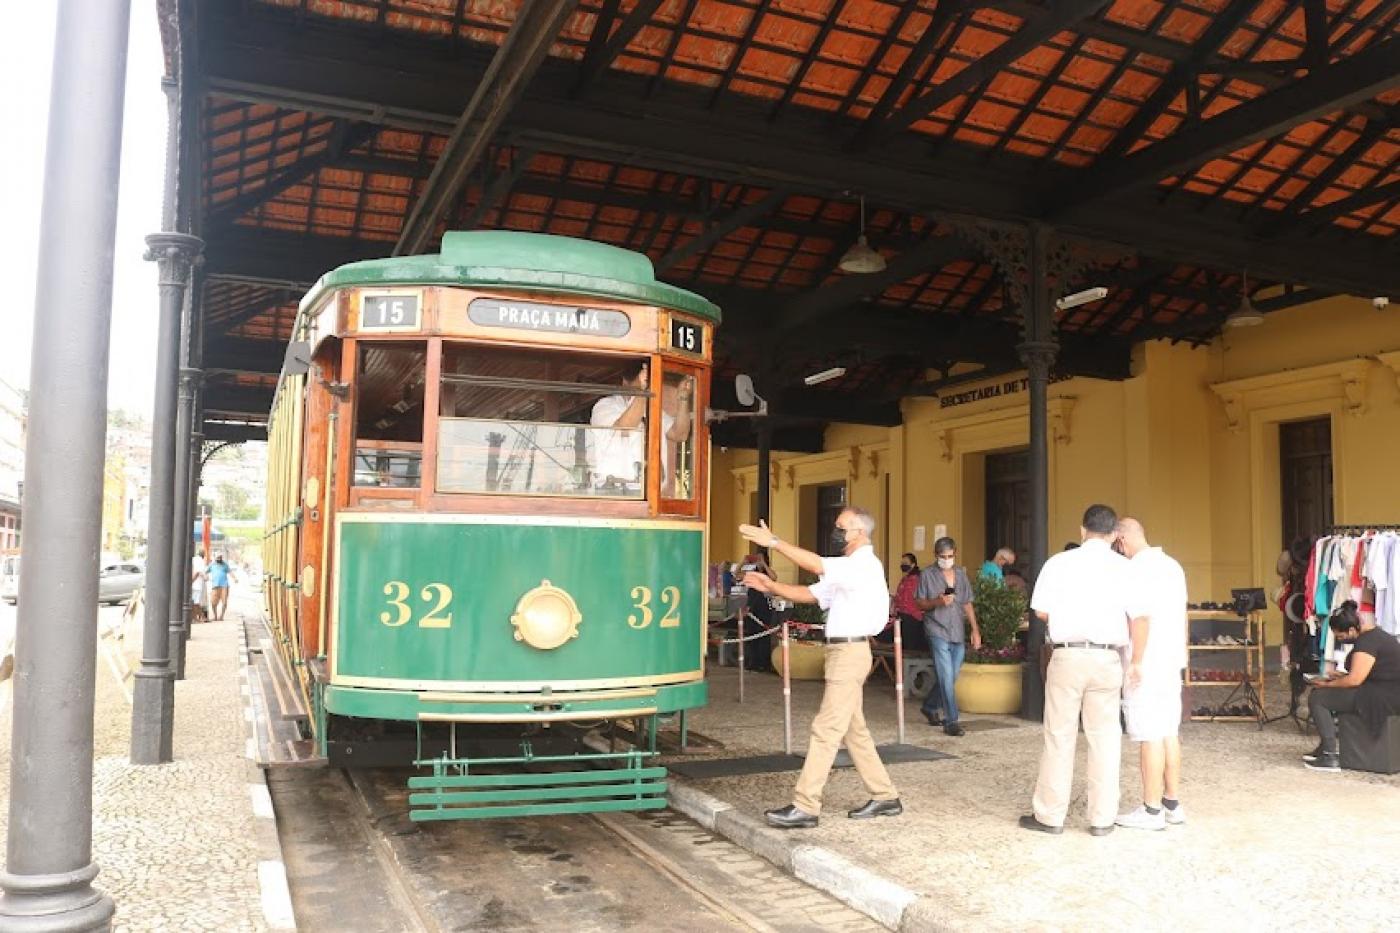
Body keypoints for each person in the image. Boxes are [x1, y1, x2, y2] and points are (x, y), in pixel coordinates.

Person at [739, 508, 901, 829]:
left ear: (860, 532)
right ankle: (885, 796)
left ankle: (806, 805)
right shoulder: (846, 570)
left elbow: (815, 565)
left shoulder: (863, 564)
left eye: (841, 527)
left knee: (826, 729)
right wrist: (770, 587)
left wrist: (774, 541)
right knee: (855, 731)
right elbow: (810, 594)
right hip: (843, 652)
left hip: (851, 652)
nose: (836, 531)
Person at [1020, 504, 1145, 837]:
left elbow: (1042, 612)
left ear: (1082, 530)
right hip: (1107, 659)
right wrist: (1136, 661)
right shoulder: (1124, 568)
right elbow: (1140, 617)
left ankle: (1049, 816)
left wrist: (1070, 616)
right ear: (1115, 534)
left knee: (1059, 736)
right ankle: (1102, 818)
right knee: (1105, 738)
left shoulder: (1058, 563)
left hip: (1068, 656)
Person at [1112, 518, 1189, 831]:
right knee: (1169, 730)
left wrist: (1136, 662)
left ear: (1121, 541)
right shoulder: (1173, 566)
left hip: (1148, 661)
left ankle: (1151, 809)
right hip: (1171, 659)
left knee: (1149, 734)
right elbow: (1183, 615)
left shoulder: (1135, 570)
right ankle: (1172, 803)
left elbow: (1140, 618)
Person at [1304, 601, 1400, 772]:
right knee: (1328, 694)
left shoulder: (1367, 642)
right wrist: (1341, 678)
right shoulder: (1374, 635)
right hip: (1384, 691)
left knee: (1318, 697)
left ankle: (1329, 755)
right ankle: (1325, 748)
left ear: (1351, 630)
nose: (1341, 640)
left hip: (1382, 697)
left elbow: (1355, 680)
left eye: (1341, 637)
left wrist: (1328, 683)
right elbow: (1372, 673)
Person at [590, 361, 691, 491]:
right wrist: (644, 392)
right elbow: (623, 429)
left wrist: (683, 398)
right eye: (643, 382)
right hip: (614, 492)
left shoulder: (653, 410)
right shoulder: (605, 406)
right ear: (625, 382)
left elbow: (680, 434)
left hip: (652, 492)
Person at [915, 537, 980, 736]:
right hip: (936, 629)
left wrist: (975, 630)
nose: (946, 559)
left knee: (951, 676)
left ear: (955, 554)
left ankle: (929, 706)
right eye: (943, 556)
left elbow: (967, 603)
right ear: (936, 555)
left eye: (950, 556)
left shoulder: (960, 574)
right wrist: (938, 601)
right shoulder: (927, 574)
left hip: (957, 631)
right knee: (945, 674)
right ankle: (951, 721)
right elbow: (919, 603)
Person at [878, 553, 928, 652]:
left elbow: (910, 600)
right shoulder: (906, 579)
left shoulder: (917, 579)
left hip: (912, 618)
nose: (903, 565)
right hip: (902, 616)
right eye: (902, 563)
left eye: (905, 563)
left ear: (913, 564)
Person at [208, 553, 232, 622]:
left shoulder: (225, 565)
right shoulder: (212, 565)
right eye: (218, 558)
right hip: (215, 586)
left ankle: (221, 616)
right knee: (213, 602)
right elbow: (205, 571)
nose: (219, 559)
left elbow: (230, 571)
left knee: (224, 602)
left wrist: (235, 578)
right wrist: (204, 576)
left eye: (220, 558)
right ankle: (215, 616)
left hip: (224, 586)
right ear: (215, 558)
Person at [190, 550, 208, 623]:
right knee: (195, 603)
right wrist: (204, 577)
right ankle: (198, 618)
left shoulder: (194, 559)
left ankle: (197, 618)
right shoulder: (200, 561)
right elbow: (198, 572)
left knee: (195, 602)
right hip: (196, 585)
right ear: (203, 555)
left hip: (195, 585)